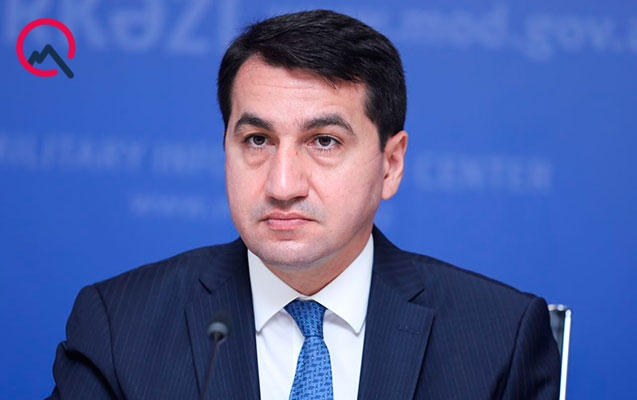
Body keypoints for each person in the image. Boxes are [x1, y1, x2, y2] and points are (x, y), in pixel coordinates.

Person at [48, 9, 560, 400]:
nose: (282, 184)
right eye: (257, 140)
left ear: (390, 164)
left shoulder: (499, 336)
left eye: (324, 142)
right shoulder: (118, 327)